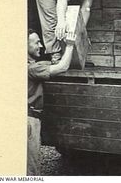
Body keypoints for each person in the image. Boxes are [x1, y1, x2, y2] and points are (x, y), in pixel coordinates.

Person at [32, 0, 109, 64]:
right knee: (52, 20)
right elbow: (62, 0)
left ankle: (69, 57)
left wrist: (81, 32)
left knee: (71, 24)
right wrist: (61, 22)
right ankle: (56, 56)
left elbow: (86, 9)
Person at [27, 28, 76, 175]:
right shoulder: (32, 68)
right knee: (31, 168)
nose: (41, 46)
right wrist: (70, 45)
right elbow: (62, 68)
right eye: (36, 43)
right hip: (30, 120)